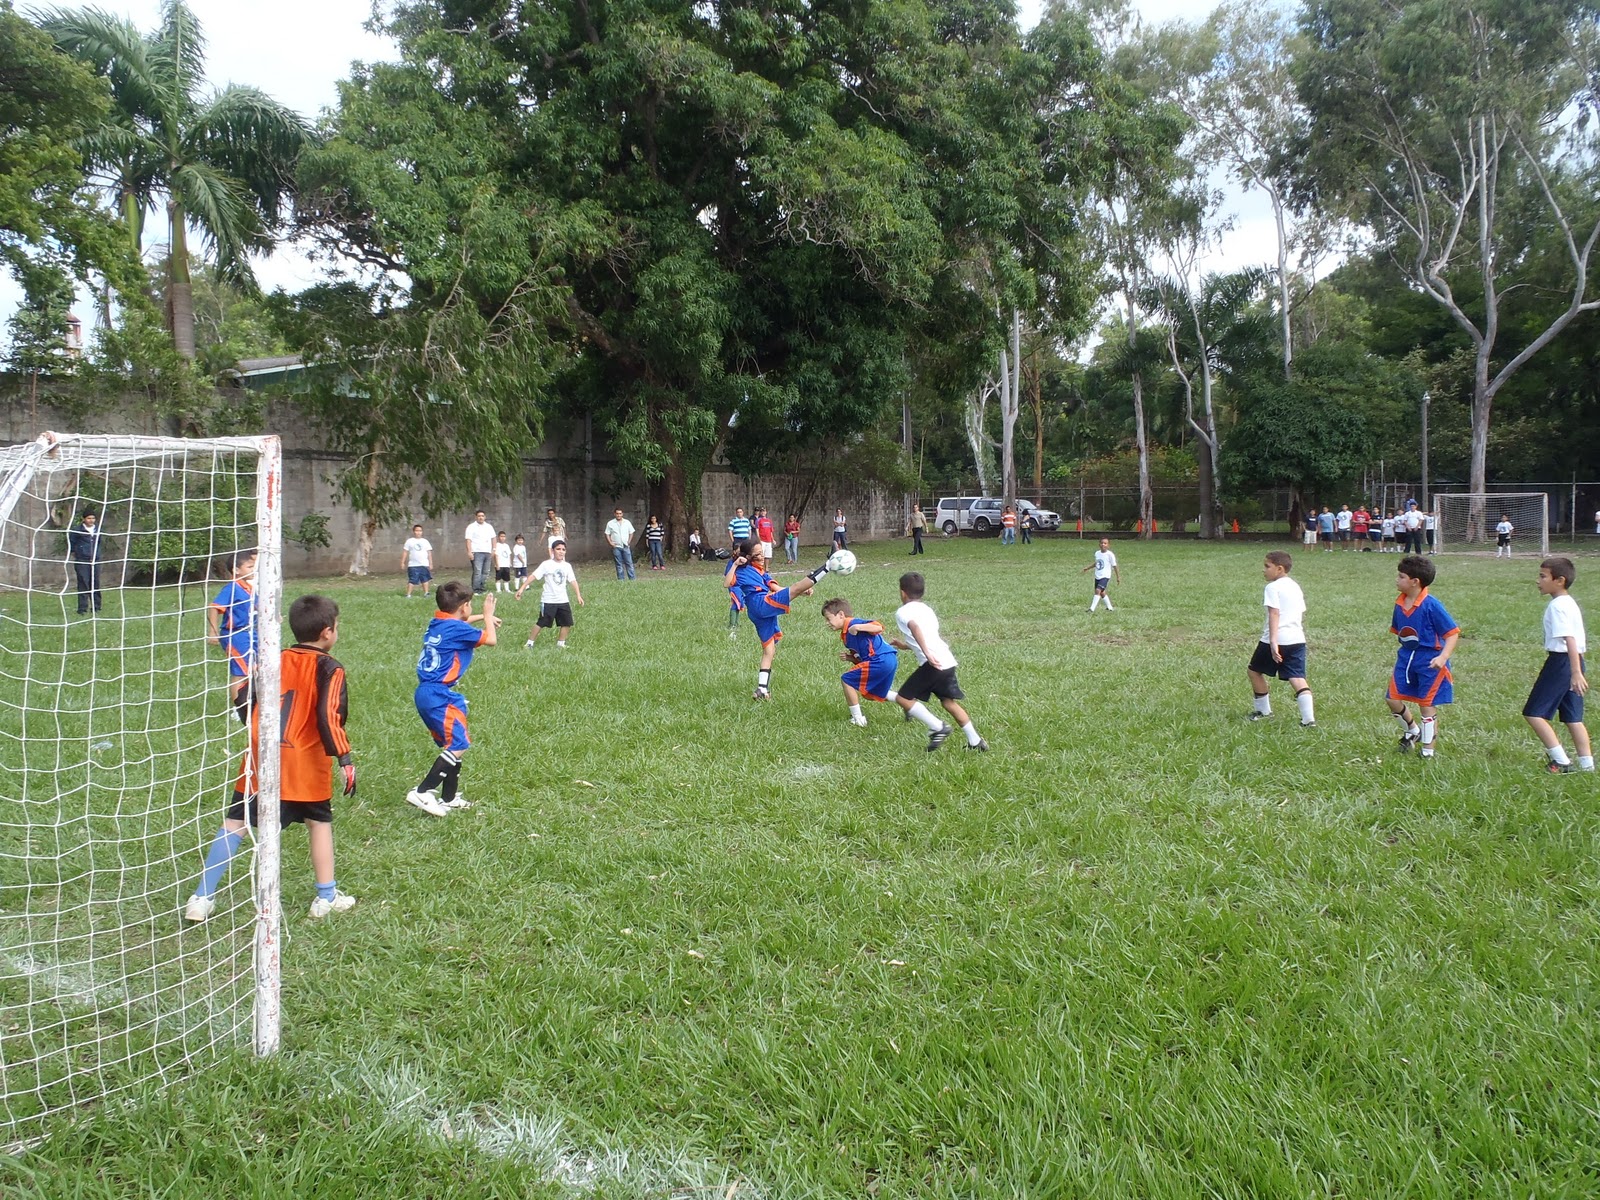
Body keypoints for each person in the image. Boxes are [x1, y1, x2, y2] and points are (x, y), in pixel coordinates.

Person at [184, 594, 358, 922]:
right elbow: (329, 715)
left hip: (261, 759)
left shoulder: (272, 658)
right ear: (327, 632)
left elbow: (241, 695)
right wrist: (345, 758)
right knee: (319, 823)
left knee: (235, 824)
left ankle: (201, 897)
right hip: (304, 765)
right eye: (337, 627)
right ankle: (326, 896)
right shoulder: (330, 668)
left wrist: (255, 730)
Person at [407, 580, 498, 817]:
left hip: (431, 693)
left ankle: (448, 798)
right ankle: (423, 791)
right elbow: (491, 640)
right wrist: (488, 616)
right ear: (465, 606)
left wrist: (479, 617)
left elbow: (461, 621)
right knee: (459, 744)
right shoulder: (458, 629)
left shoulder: (437, 622)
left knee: (456, 742)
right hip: (438, 695)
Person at [888, 572, 988, 751]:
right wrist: (903, 645)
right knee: (948, 702)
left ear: (903, 592)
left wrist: (927, 653)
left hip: (932, 663)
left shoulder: (903, 612)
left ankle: (938, 727)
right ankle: (976, 742)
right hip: (946, 660)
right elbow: (925, 635)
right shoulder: (927, 609)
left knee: (903, 698)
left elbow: (914, 627)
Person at [725, 540, 829, 699]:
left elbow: (777, 589)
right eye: (757, 554)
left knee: (769, 650)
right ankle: (828, 566)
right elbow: (727, 583)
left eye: (762, 552)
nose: (762, 556)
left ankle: (761, 689)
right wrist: (735, 565)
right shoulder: (740, 569)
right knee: (795, 587)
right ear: (747, 556)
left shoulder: (761, 572)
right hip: (761, 603)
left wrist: (801, 592)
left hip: (758, 611)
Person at [1385, 555, 1459, 759]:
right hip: (1406, 659)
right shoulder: (1399, 603)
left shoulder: (1431, 605)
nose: (1396, 580)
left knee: (1426, 705)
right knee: (1392, 699)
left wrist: (1442, 657)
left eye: (1401, 576)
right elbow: (1401, 631)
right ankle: (1411, 731)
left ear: (1415, 582)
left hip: (1430, 662)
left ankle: (1427, 752)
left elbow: (1452, 633)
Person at [1524, 556, 1593, 773]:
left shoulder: (1557, 606)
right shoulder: (1569, 602)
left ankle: (1561, 760)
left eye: (1543, 576)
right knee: (1573, 717)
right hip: (1575, 662)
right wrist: (1578, 669)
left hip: (1562, 663)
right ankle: (1587, 765)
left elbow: (1569, 638)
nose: (1538, 581)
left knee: (1534, 713)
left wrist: (1574, 672)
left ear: (1559, 580)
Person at [1246, 551, 1315, 727]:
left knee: (1254, 671)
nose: (1264, 570)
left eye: (1267, 566)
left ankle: (1263, 712)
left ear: (1279, 568)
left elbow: (1274, 613)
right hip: (1297, 638)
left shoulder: (1272, 588)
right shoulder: (1295, 586)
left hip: (1275, 639)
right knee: (1297, 677)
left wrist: (1274, 643)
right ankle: (1308, 720)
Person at [821, 598, 899, 727]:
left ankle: (858, 719)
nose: (827, 623)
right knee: (870, 694)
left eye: (828, 619)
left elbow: (877, 627)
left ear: (841, 614)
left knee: (846, 680)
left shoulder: (853, 623)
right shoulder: (845, 636)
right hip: (887, 660)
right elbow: (862, 658)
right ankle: (907, 701)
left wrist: (858, 627)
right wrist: (851, 658)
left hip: (881, 660)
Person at [207, 547, 258, 718]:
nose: (254, 570)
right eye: (250, 567)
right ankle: (239, 709)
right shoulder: (232, 588)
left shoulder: (250, 589)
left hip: (251, 634)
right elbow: (214, 608)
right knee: (241, 672)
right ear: (236, 570)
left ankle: (251, 702)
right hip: (235, 635)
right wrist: (213, 632)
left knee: (255, 668)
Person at [524, 539, 584, 649]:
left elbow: (573, 581)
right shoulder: (546, 564)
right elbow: (534, 576)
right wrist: (522, 588)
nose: (561, 552)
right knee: (542, 622)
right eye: (558, 549)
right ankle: (529, 643)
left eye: (563, 550)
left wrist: (578, 595)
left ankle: (561, 644)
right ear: (552, 551)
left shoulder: (567, 566)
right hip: (548, 600)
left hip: (563, 600)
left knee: (567, 622)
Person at [68, 509, 103, 615]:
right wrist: (79, 553)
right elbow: (71, 544)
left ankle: (97, 607)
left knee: (95, 583)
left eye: (93, 518)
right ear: (84, 519)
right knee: (83, 584)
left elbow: (99, 543)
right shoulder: (77, 530)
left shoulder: (98, 530)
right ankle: (82, 609)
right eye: (89, 518)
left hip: (95, 560)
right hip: (82, 560)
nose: (91, 520)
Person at [1081, 537, 1121, 612]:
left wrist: (1118, 577)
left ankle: (1091, 609)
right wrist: (1087, 568)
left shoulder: (1110, 555)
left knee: (1098, 590)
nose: (1103, 544)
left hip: (1105, 576)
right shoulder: (1097, 553)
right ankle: (1110, 608)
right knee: (1102, 592)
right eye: (1102, 543)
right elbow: (1097, 563)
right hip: (1097, 576)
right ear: (1099, 544)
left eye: (1105, 543)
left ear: (1108, 545)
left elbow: (1115, 566)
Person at [464, 510, 496, 594]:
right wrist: (469, 552)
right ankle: (476, 589)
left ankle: (482, 587)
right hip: (477, 552)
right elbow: (468, 540)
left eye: (482, 516)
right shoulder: (471, 527)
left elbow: (493, 538)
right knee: (477, 571)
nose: (481, 517)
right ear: (476, 517)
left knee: (486, 571)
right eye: (479, 516)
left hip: (487, 552)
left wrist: (494, 549)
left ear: (485, 517)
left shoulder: (489, 527)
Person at [402, 524, 433, 598]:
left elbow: (429, 553)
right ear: (414, 532)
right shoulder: (409, 541)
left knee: (425, 579)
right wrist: (402, 562)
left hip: (424, 564)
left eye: (420, 531)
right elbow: (405, 552)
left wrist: (430, 563)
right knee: (412, 580)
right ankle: (408, 594)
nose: (418, 532)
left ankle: (426, 593)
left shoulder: (425, 541)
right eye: (417, 531)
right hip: (413, 565)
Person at [605, 507, 637, 580]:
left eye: (620, 514)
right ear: (614, 514)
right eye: (617, 514)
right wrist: (610, 542)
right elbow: (607, 533)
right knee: (619, 564)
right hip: (616, 547)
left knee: (629, 563)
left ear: (622, 514)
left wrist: (629, 541)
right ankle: (621, 580)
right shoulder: (610, 523)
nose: (618, 515)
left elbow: (631, 532)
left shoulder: (627, 522)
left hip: (625, 546)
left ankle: (632, 579)